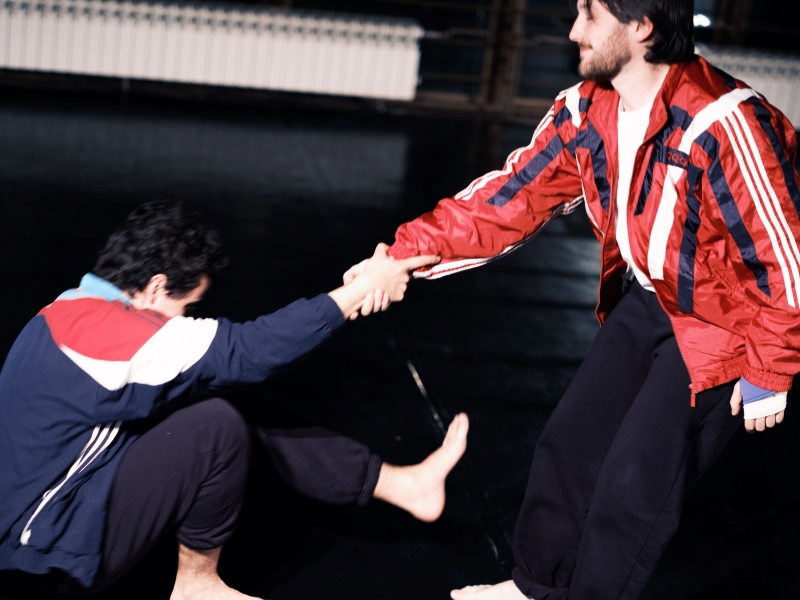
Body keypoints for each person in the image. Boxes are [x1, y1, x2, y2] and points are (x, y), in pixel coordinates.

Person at [344, 0, 800, 598]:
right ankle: (536, 587)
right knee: (570, 444)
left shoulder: (722, 120)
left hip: (724, 322)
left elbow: (783, 253)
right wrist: (400, 257)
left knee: (634, 481)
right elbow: (508, 199)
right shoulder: (588, 109)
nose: (573, 31)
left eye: (589, 15)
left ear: (641, 27)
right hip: (650, 296)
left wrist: (771, 367)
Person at [0, 199, 468, 600]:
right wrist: (363, 288)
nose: (185, 318)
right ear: (157, 286)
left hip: (48, 524)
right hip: (45, 561)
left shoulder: (71, 310)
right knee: (215, 426)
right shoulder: (112, 336)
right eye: (187, 306)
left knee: (221, 403)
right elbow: (252, 350)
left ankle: (402, 485)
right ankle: (196, 586)